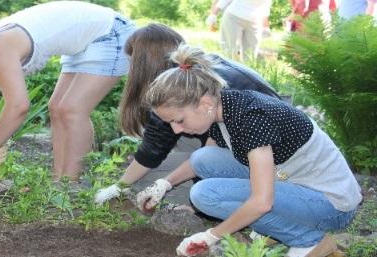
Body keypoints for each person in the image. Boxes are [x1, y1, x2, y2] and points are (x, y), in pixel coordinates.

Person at [135, 44, 361, 257]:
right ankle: (276, 228)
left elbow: (262, 202)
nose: (176, 130)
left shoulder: (252, 119)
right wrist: (163, 184)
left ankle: (308, 240)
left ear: (204, 104)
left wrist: (211, 236)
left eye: (179, 120)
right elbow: (201, 162)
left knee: (205, 195)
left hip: (332, 206)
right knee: (203, 157)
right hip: (292, 182)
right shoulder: (223, 106)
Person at [0, 1, 136, 182]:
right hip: (85, 41)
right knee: (57, 108)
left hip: (110, 33)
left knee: (72, 110)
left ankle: (71, 186)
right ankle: (60, 181)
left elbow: (19, 106)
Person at [94, 23, 279, 205]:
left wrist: (121, 185)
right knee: (171, 142)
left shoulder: (175, 89)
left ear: (142, 63)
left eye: (131, 62)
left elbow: (156, 150)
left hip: (266, 155)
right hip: (252, 138)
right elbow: (161, 139)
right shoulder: (191, 71)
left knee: (145, 181)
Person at [205, 0, 272, 61]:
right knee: (231, 50)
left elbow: (266, 7)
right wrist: (213, 14)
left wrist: (265, 27)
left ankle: (246, 73)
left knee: (251, 53)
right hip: (234, 16)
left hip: (255, 21)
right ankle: (229, 72)